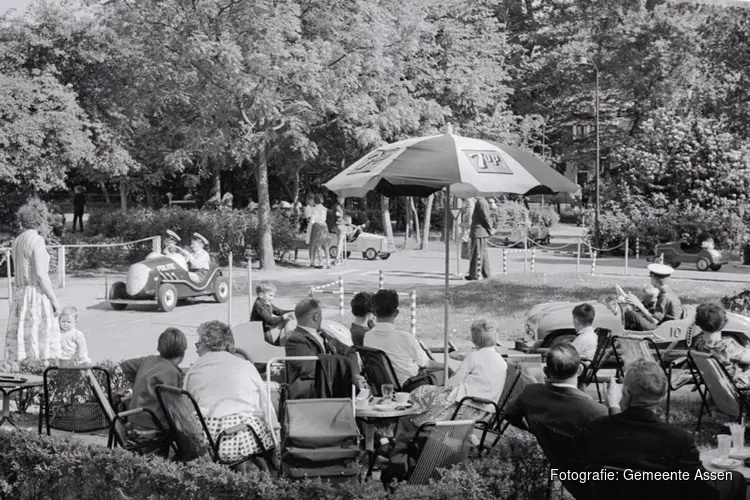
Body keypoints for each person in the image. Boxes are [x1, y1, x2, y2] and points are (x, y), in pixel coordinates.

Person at [584, 358, 746, 500]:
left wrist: (613, 405)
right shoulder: (677, 439)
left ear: (625, 393)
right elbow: (704, 490)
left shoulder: (596, 429)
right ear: (663, 394)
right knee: (735, 479)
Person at [184, 321, 278, 469]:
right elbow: (266, 405)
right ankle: (272, 471)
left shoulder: (194, 370)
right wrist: (275, 431)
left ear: (208, 344)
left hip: (205, 440)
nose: (197, 350)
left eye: (198, 345)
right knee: (265, 422)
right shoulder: (244, 365)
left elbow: (186, 406)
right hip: (241, 438)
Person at [409, 319, 507, 427]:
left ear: (474, 339)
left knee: (421, 392)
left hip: (464, 406)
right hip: (486, 412)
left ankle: (417, 423)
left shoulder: (473, 356)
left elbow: (452, 383)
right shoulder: (502, 361)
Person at [3, 199, 61, 365]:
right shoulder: (37, 240)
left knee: (24, 339)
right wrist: (54, 299)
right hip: (35, 294)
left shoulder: (17, 240)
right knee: (39, 340)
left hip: (21, 294)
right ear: (40, 220)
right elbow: (41, 274)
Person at [363, 289, 448, 390]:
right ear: (396, 313)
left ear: (373, 312)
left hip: (384, 386)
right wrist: (446, 366)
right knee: (447, 372)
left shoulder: (367, 337)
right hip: (411, 386)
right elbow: (426, 364)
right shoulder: (405, 338)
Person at [284, 299, 362, 399]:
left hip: (328, 383)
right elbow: (311, 369)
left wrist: (355, 375)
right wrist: (344, 369)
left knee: (362, 384)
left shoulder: (323, 334)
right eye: (321, 314)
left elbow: (349, 351)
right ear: (316, 316)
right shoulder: (294, 340)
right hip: (310, 389)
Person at [120, 328, 187, 434]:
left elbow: (125, 366)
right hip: (153, 426)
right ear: (182, 353)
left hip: (132, 421)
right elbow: (173, 406)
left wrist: (137, 384)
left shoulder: (148, 360)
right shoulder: (172, 372)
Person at [694, 303, 750, 388]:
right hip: (736, 384)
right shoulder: (726, 345)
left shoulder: (699, 343)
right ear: (723, 323)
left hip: (717, 384)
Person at [621, 263, 681, 331]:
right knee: (637, 313)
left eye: (651, 277)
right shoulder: (668, 293)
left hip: (662, 329)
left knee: (630, 314)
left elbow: (655, 321)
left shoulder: (665, 297)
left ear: (655, 279)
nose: (650, 280)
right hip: (667, 326)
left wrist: (639, 305)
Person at [250, 281, 295, 345]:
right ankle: (292, 343)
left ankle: (289, 341)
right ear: (261, 295)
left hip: (266, 330)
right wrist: (285, 316)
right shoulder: (259, 305)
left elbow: (279, 312)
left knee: (286, 319)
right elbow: (270, 321)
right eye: (270, 295)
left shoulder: (266, 303)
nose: (272, 298)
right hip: (261, 334)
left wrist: (294, 311)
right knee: (285, 320)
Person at [466, 197, 493, 281]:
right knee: (483, 255)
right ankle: (486, 275)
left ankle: (474, 275)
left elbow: (485, 217)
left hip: (479, 232)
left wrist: (490, 228)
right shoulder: (481, 201)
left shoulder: (482, 202)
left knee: (476, 254)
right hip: (480, 231)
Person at [333, 201, 347, 265]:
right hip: (340, 226)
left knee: (340, 242)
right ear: (338, 198)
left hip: (338, 226)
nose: (342, 200)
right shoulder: (337, 206)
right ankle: (337, 258)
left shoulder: (340, 206)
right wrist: (340, 215)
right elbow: (337, 214)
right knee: (340, 242)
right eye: (341, 198)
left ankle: (339, 258)